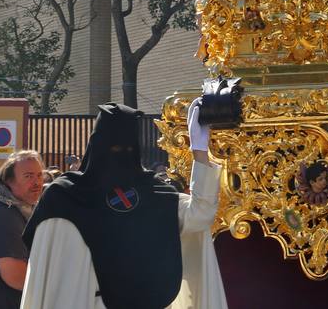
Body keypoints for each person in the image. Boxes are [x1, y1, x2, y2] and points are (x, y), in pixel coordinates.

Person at [20, 101, 228, 309]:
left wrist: (200, 153)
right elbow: (46, 271)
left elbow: (200, 214)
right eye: (114, 147)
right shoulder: (64, 197)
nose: (119, 155)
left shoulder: (154, 193)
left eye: (125, 148)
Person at [0, 150, 44, 309]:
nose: (37, 182)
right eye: (28, 176)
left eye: (39, 175)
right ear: (9, 180)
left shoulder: (12, 206)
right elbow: (15, 277)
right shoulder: (3, 214)